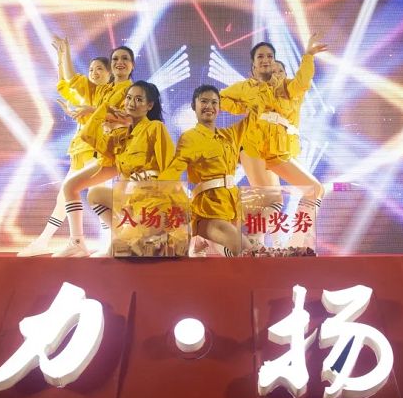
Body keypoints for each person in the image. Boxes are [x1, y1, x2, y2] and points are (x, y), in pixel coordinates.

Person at [17, 40, 134, 257]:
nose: (94, 73)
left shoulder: (127, 91)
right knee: (71, 194)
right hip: (82, 150)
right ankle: (52, 240)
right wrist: (63, 55)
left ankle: (101, 242)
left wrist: (92, 111)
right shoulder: (102, 91)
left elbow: (127, 119)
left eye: (99, 69)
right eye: (91, 69)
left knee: (90, 195)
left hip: (101, 151)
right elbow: (67, 81)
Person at [220, 34, 327, 245]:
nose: (266, 60)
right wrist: (241, 107)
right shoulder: (245, 88)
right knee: (271, 201)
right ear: (253, 64)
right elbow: (220, 98)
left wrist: (308, 56)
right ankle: (253, 243)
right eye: (260, 56)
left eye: (270, 56)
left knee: (315, 189)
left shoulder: (288, 88)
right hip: (253, 149)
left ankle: (297, 242)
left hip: (279, 151)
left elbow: (302, 82)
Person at [79, 81, 175, 257]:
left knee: (118, 250)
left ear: (149, 105)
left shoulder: (155, 128)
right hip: (129, 201)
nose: (131, 103)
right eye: (129, 98)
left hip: (151, 202)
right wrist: (105, 109)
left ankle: (149, 236)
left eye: (139, 99)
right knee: (94, 194)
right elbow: (87, 135)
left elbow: (170, 168)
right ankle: (125, 233)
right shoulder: (121, 135)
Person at [160, 85, 255, 257]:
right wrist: (152, 194)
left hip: (233, 211)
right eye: (203, 101)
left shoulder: (230, 135)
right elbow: (172, 173)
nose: (209, 106)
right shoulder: (190, 138)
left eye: (214, 102)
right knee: (248, 251)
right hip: (208, 213)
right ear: (193, 106)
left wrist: (225, 98)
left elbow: (256, 110)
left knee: (241, 259)